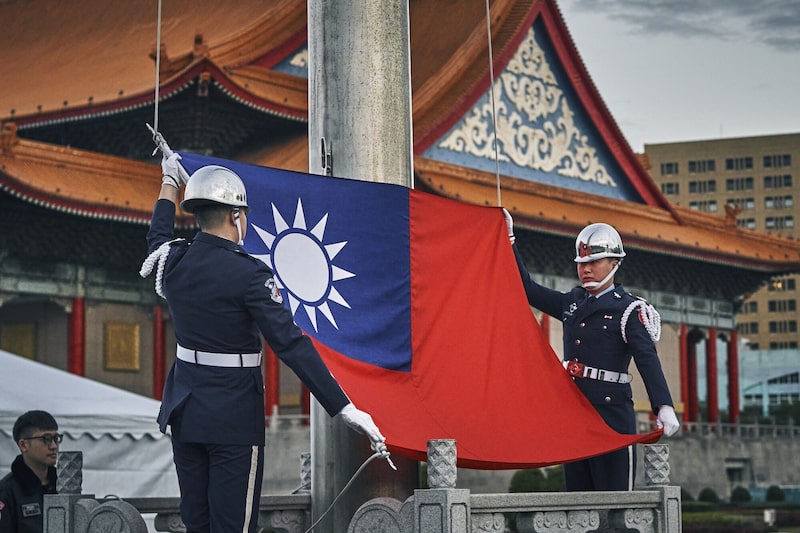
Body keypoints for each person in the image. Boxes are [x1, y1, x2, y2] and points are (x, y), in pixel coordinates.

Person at [140, 153, 389, 533]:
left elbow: (156, 237)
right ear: (235, 216)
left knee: (197, 524)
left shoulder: (173, 261)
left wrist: (169, 182)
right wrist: (343, 406)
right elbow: (290, 344)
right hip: (233, 417)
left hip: (186, 410)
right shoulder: (250, 275)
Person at [504, 212, 680, 491]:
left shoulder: (629, 309)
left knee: (615, 497)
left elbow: (647, 359)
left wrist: (664, 405)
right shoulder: (572, 302)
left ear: (615, 263)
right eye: (581, 263)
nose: (585, 269)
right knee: (578, 499)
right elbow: (526, 289)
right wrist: (509, 240)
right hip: (574, 413)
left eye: (594, 262)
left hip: (612, 414)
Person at [0, 411, 60, 533]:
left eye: (56, 438)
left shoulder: (62, 486)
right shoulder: (7, 491)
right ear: (23, 445)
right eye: (46, 439)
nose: (54, 446)